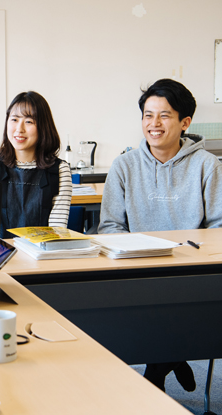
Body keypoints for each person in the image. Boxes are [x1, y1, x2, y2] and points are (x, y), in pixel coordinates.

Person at [98, 78, 222, 392]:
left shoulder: (208, 166)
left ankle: (157, 367)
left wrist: (188, 255)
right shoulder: (124, 166)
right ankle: (171, 357)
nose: (154, 124)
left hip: (192, 269)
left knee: (180, 300)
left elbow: (219, 228)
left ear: (185, 122)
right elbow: (110, 227)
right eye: (147, 115)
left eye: (164, 115)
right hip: (137, 271)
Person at [0, 91, 72, 238]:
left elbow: (57, 232)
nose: (19, 129)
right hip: (2, 255)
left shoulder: (60, 171)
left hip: (43, 254)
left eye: (29, 121)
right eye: (14, 119)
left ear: (43, 127)